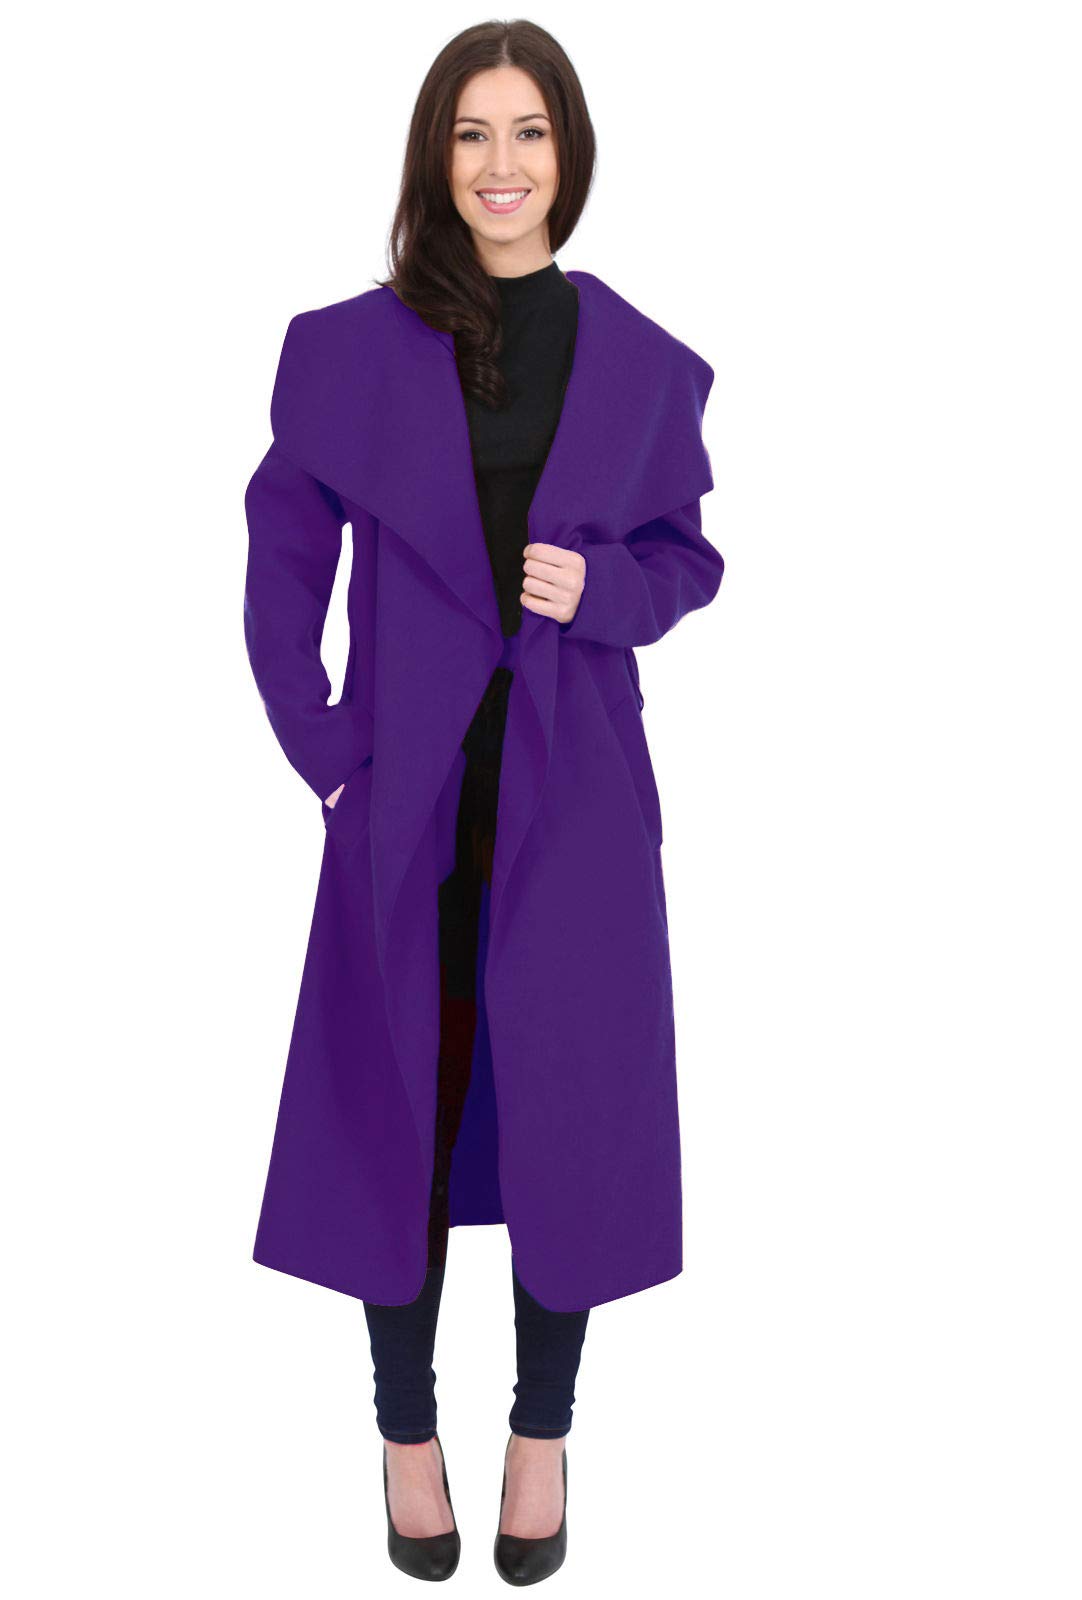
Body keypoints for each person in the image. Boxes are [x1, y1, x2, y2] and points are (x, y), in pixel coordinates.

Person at [243, 19, 723, 1587]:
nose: (501, 165)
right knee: (395, 1111)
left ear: (566, 154)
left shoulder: (640, 361)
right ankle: (402, 1431)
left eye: (528, 132)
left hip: (574, 800)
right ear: (433, 158)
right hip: (404, 798)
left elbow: (686, 560)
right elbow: (281, 554)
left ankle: (540, 1434)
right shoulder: (347, 348)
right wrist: (327, 747)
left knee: (572, 1118)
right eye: (471, 133)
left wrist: (608, 593)